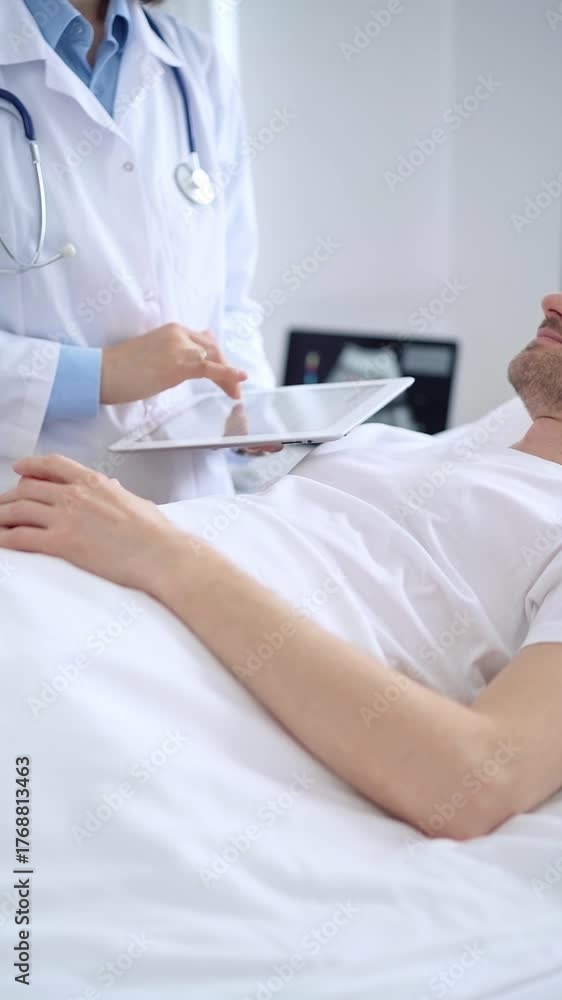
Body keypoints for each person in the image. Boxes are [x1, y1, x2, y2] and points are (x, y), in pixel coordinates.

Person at [3, 292, 562, 841]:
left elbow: (474, 781)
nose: (552, 300)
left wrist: (158, 551)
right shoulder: (395, 443)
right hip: (59, 583)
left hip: (117, 663)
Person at [0, 0, 274, 502]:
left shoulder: (195, 64)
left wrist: (251, 406)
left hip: (193, 502)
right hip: (28, 504)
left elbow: (231, 298)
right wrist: (98, 375)